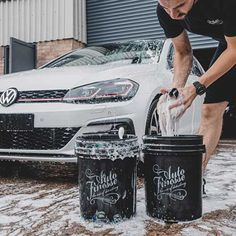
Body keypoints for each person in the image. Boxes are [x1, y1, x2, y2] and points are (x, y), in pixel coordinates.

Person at [156, 0, 236, 171]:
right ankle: (195, 178)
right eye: (166, 8)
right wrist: (176, 90)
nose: (173, 15)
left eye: (180, 6)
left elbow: (234, 51)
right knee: (209, 110)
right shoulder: (166, 12)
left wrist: (198, 86)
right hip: (230, 44)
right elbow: (182, 52)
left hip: (234, 47)